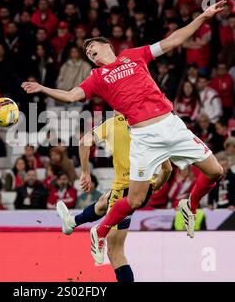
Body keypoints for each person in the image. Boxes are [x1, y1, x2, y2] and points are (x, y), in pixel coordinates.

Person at [22, 1, 225, 263]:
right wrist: (43, 88)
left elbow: (173, 40)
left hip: (171, 125)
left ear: (107, 46)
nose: (90, 53)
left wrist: (203, 17)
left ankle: (190, 205)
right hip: (143, 138)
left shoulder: (133, 55)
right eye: (87, 53)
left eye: (92, 48)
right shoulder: (96, 77)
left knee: (215, 171)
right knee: (136, 199)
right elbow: (72, 95)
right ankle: (100, 230)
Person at [56, 114, 171, 281]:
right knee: (104, 201)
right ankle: (72, 223)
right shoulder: (149, 123)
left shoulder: (111, 124)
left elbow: (83, 142)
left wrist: (86, 172)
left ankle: (98, 233)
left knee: (115, 252)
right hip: (142, 190)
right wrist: (156, 184)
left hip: (124, 192)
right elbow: (167, 169)